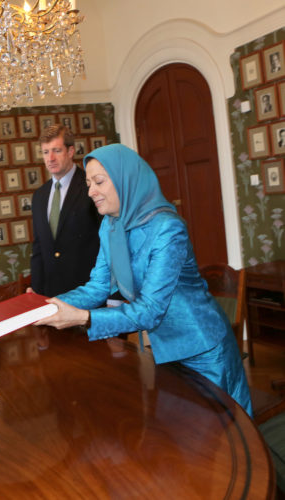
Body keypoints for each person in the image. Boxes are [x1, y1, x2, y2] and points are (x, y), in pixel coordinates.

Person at [35, 144, 252, 417]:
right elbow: (98, 287)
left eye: (99, 182)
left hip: (203, 350)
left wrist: (82, 318)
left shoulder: (167, 228)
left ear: (126, 179)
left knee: (223, 435)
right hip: (164, 349)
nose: (90, 192)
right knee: (183, 436)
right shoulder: (110, 225)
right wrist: (47, 306)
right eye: (88, 183)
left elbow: (150, 309)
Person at [30, 125, 101, 296]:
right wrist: (36, 291)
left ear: (70, 151)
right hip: (51, 294)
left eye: (56, 150)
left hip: (88, 290)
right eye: (46, 152)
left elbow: (106, 242)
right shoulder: (39, 196)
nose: (50, 158)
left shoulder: (90, 187)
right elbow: (39, 247)